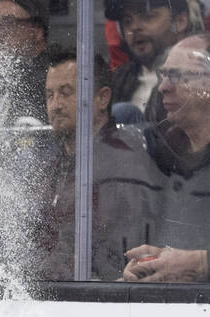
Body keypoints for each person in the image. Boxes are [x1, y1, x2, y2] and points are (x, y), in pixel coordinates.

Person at [97, 35, 210, 282]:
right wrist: (128, 279)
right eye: (164, 75)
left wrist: (201, 265)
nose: (163, 87)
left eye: (178, 76)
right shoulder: (135, 154)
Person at [33, 50, 140, 281]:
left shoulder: (123, 162)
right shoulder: (54, 166)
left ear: (102, 98)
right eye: (49, 95)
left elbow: (114, 256)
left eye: (66, 93)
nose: (55, 105)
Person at [105, 0, 195, 119]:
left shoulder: (198, 75)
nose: (134, 27)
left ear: (180, 21)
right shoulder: (119, 77)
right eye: (127, 21)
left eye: (148, 16)